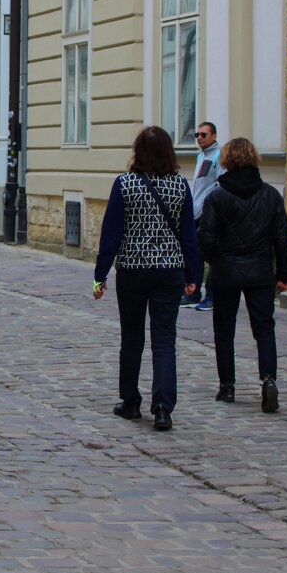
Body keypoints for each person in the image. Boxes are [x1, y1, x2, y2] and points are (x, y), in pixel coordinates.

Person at [92, 126, 199, 432]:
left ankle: (130, 401)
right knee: (165, 339)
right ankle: (163, 407)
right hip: (170, 272)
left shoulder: (125, 184)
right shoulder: (180, 186)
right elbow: (189, 236)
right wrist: (193, 275)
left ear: (137, 152)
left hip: (133, 270)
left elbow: (111, 233)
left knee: (132, 337)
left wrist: (100, 276)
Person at [196, 138, 287, 413]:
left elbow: (206, 236)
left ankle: (227, 385)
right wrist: (284, 274)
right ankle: (268, 378)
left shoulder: (217, 196)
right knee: (264, 328)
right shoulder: (270, 195)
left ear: (225, 161)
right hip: (260, 270)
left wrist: (214, 260)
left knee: (224, 330)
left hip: (225, 270)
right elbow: (283, 239)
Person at [183, 122, 222, 310]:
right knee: (195, 254)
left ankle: (212, 296)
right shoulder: (200, 156)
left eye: (203, 135)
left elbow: (219, 184)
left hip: (210, 214)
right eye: (197, 135)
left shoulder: (219, 156)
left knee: (212, 256)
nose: (199, 138)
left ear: (214, 136)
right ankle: (194, 293)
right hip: (196, 212)